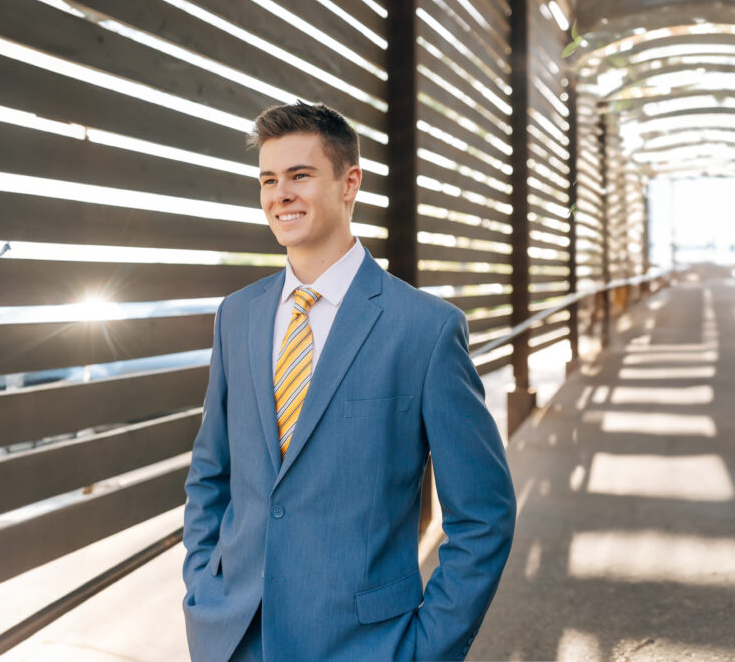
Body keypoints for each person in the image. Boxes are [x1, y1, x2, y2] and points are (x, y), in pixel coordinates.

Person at [181, 102, 516, 661]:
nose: (280, 194)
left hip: (365, 645)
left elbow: (484, 515)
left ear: (349, 182)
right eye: (269, 179)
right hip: (232, 636)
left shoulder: (425, 330)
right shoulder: (235, 316)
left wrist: (425, 649)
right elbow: (210, 472)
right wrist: (202, 589)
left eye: (300, 176)